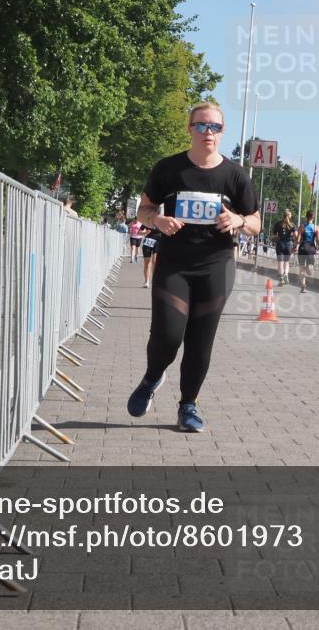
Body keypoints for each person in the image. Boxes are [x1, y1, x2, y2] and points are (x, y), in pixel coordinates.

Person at [127, 102, 260, 432]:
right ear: (190, 128)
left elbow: (256, 222)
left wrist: (239, 219)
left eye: (215, 127)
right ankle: (152, 376)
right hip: (174, 263)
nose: (208, 133)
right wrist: (156, 220)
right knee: (168, 334)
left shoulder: (234, 176)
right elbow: (143, 210)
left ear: (222, 132)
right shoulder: (168, 169)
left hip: (216, 266)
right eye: (201, 125)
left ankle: (188, 405)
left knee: (201, 340)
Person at [295, 210, 319, 294]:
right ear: (313, 218)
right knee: (310, 268)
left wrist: (295, 247)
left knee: (301, 268)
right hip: (311, 248)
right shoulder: (316, 228)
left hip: (302, 248)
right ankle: (308, 268)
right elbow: (318, 240)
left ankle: (303, 285)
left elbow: (298, 240)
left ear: (306, 217)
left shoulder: (301, 226)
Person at [272, 209, 296, 285]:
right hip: (289, 244)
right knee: (287, 262)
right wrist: (293, 240)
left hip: (280, 244)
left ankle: (281, 279)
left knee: (280, 263)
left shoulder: (278, 224)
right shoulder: (292, 225)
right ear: (289, 216)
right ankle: (286, 274)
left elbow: (273, 235)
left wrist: (274, 238)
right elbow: (296, 235)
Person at [140, 222, 160, 289]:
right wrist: (145, 233)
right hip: (148, 241)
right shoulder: (146, 221)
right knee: (147, 262)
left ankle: (155, 281)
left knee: (154, 261)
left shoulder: (161, 221)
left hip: (158, 241)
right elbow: (138, 232)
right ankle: (146, 281)